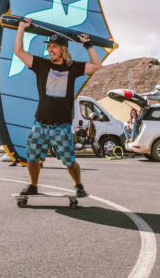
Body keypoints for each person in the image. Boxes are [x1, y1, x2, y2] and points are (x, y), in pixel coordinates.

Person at [14, 18, 102, 196]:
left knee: (69, 161)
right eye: (49, 46)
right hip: (40, 124)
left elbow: (97, 65)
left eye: (54, 46)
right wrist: (21, 27)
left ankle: (78, 185)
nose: (49, 49)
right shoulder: (41, 64)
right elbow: (19, 51)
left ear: (63, 49)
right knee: (32, 158)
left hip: (61, 126)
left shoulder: (73, 68)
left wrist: (89, 45)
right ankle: (33, 185)